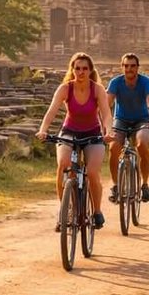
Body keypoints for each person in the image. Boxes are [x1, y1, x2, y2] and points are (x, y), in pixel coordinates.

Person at [37, 52, 111, 230]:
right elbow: (52, 111)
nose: (81, 72)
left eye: (85, 68)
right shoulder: (65, 88)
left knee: (92, 172)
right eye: (77, 68)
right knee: (63, 164)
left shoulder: (97, 89)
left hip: (93, 133)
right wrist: (43, 130)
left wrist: (109, 131)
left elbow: (106, 114)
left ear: (90, 70)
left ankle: (97, 211)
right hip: (69, 132)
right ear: (72, 69)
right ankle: (64, 211)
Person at [105, 53, 149, 203]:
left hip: (141, 120)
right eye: (126, 66)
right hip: (120, 120)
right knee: (113, 147)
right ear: (122, 67)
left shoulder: (145, 82)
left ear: (137, 67)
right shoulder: (115, 82)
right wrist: (104, 124)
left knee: (142, 144)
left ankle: (145, 184)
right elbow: (106, 105)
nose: (129, 69)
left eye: (133, 66)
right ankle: (115, 185)